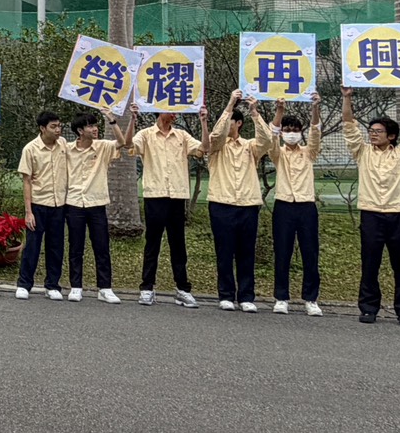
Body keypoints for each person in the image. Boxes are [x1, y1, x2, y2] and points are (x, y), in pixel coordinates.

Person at [343, 84, 400, 328]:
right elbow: (349, 126)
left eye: (378, 131)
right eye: (371, 131)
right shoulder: (362, 152)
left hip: (398, 216)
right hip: (371, 215)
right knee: (370, 265)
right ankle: (369, 308)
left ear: (391, 136)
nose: (373, 134)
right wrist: (347, 97)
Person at [129, 109, 204, 308]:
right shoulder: (146, 134)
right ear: (160, 111)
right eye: (171, 111)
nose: (175, 115)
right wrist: (132, 121)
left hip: (177, 196)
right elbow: (129, 146)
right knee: (152, 243)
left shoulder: (182, 135)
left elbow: (203, 148)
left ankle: (182, 289)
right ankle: (147, 288)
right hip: (155, 196)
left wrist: (204, 122)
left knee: (178, 244)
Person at [205, 91, 266, 313]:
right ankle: (226, 295)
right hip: (221, 204)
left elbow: (267, 141)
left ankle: (246, 296)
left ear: (239, 123)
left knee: (246, 252)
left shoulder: (250, 146)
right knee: (224, 252)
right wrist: (230, 103)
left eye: (231, 120)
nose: (226, 124)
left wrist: (254, 112)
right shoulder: (216, 147)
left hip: (248, 205)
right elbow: (216, 134)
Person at [64, 110, 133, 305]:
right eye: (90, 126)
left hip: (97, 203)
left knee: (101, 247)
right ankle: (76, 287)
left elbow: (122, 143)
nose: (95, 129)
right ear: (80, 131)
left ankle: (105, 288)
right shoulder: (67, 149)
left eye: (95, 125)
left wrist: (112, 120)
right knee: (76, 247)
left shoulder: (102, 146)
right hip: (74, 202)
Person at [268, 93, 324, 316]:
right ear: (283, 133)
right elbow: (271, 136)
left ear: (301, 132)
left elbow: (316, 133)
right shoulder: (277, 153)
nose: (291, 133)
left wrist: (315, 107)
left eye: (295, 130)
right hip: (283, 206)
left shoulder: (309, 152)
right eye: (287, 130)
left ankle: (311, 299)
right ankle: (281, 297)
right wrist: (279, 111)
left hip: (306, 206)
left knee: (310, 253)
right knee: (282, 252)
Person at [16, 111, 70, 301]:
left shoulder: (63, 144)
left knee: (56, 247)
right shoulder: (30, 149)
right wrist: (28, 212)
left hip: (59, 204)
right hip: (38, 204)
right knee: (32, 246)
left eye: (59, 126)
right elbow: (27, 181)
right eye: (53, 127)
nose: (58, 130)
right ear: (42, 128)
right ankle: (24, 284)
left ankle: (52, 285)